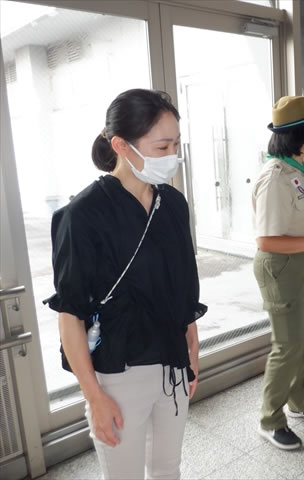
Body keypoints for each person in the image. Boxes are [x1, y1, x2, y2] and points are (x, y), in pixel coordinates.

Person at [44, 89, 206, 479]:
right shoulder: (81, 215)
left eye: (176, 144)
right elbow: (70, 315)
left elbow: (183, 289)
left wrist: (193, 355)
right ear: (120, 145)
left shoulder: (174, 205)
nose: (172, 155)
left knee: (168, 469)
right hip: (117, 375)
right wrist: (94, 397)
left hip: (171, 366)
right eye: (161, 145)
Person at [252, 95, 304, 450]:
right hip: (281, 268)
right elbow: (267, 241)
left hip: (302, 263)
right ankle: (270, 419)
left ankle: (300, 401)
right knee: (287, 346)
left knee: (303, 337)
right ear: (302, 135)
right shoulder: (274, 176)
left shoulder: (295, 168)